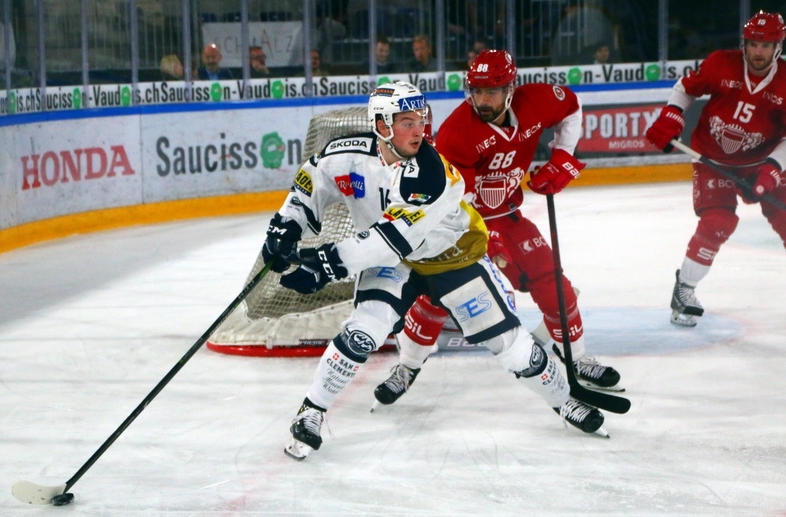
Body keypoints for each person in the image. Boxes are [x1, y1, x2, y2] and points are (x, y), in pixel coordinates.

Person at [261, 81, 608, 460]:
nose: (420, 130)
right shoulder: (344, 155)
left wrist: (326, 264)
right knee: (362, 333)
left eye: (421, 120)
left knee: (511, 346)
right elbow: (310, 182)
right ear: (381, 125)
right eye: (407, 122)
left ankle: (563, 401)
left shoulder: (432, 175)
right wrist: (287, 226)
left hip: (451, 256)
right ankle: (311, 411)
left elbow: (390, 238)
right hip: (392, 263)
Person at [372, 50, 623, 408]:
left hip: (507, 214)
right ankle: (408, 365)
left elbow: (571, 107)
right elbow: (459, 205)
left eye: (491, 92)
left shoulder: (537, 101)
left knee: (552, 279)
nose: (482, 100)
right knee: (437, 297)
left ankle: (577, 357)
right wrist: (489, 246)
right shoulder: (458, 132)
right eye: (476, 91)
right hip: (457, 226)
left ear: (511, 88)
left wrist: (563, 157)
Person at [645, 11, 786, 327]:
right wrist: (671, 117)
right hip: (713, 161)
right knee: (718, 221)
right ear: (744, 44)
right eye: (753, 44)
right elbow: (685, 87)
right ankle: (685, 290)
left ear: (778, 47)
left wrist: (771, 172)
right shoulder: (721, 63)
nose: (758, 52)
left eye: (766, 45)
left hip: (762, 161)